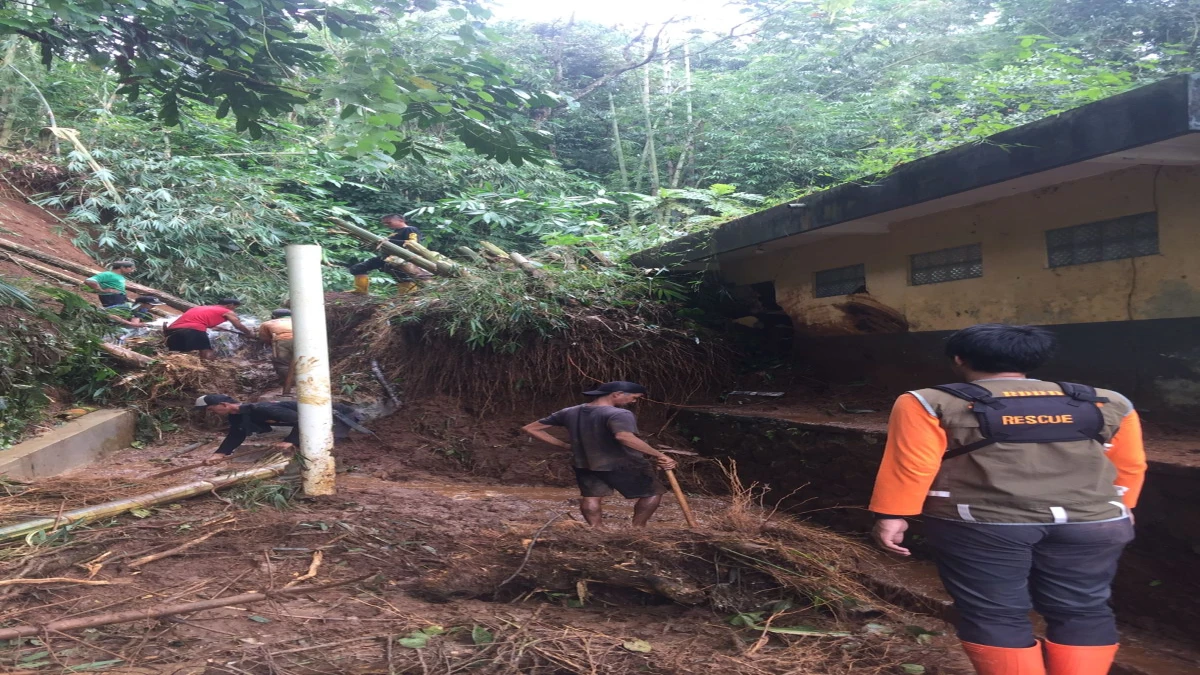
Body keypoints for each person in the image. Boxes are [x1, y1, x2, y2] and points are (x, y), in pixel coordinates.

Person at [868, 324, 1147, 675]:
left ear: (959, 359)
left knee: (994, 612)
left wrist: (893, 514)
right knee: (1083, 609)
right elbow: (1130, 465)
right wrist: (1125, 508)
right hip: (1095, 523)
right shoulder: (1107, 401)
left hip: (983, 525)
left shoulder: (929, 401)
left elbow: (912, 464)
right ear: (1032, 360)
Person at [522, 381, 677, 528]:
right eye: (634, 397)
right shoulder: (620, 414)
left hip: (585, 462)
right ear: (617, 394)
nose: (634, 401)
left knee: (591, 497)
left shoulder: (570, 411)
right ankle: (638, 529)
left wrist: (564, 446)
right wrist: (659, 455)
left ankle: (596, 530)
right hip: (623, 462)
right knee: (653, 492)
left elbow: (531, 428)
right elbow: (624, 437)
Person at [194, 394, 364, 458]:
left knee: (325, 446)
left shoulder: (263, 408)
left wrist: (290, 441)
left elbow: (303, 420)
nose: (211, 412)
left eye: (211, 409)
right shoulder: (238, 416)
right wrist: (220, 454)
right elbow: (236, 434)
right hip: (315, 419)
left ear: (223, 404)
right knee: (306, 445)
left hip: (339, 415)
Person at [346, 214, 426, 294]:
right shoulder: (396, 232)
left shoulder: (410, 229)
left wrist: (387, 241)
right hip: (386, 258)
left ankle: (406, 297)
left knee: (403, 277)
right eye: (384, 223)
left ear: (401, 221)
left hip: (401, 259)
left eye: (389, 222)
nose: (386, 225)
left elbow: (413, 243)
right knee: (358, 268)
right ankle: (360, 291)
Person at [165, 298, 254, 360]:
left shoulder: (200, 308)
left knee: (176, 354)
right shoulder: (227, 311)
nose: (235, 309)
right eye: (235, 307)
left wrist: (217, 327)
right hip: (193, 329)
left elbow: (196, 320)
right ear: (230, 305)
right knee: (205, 350)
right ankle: (209, 371)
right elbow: (238, 325)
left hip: (171, 330)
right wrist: (248, 332)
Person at [259, 308, 294, 395]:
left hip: (282, 341)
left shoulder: (267, 323)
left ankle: (291, 383)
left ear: (273, 316)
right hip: (304, 340)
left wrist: (271, 345)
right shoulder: (299, 320)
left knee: (282, 363)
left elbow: (264, 338)